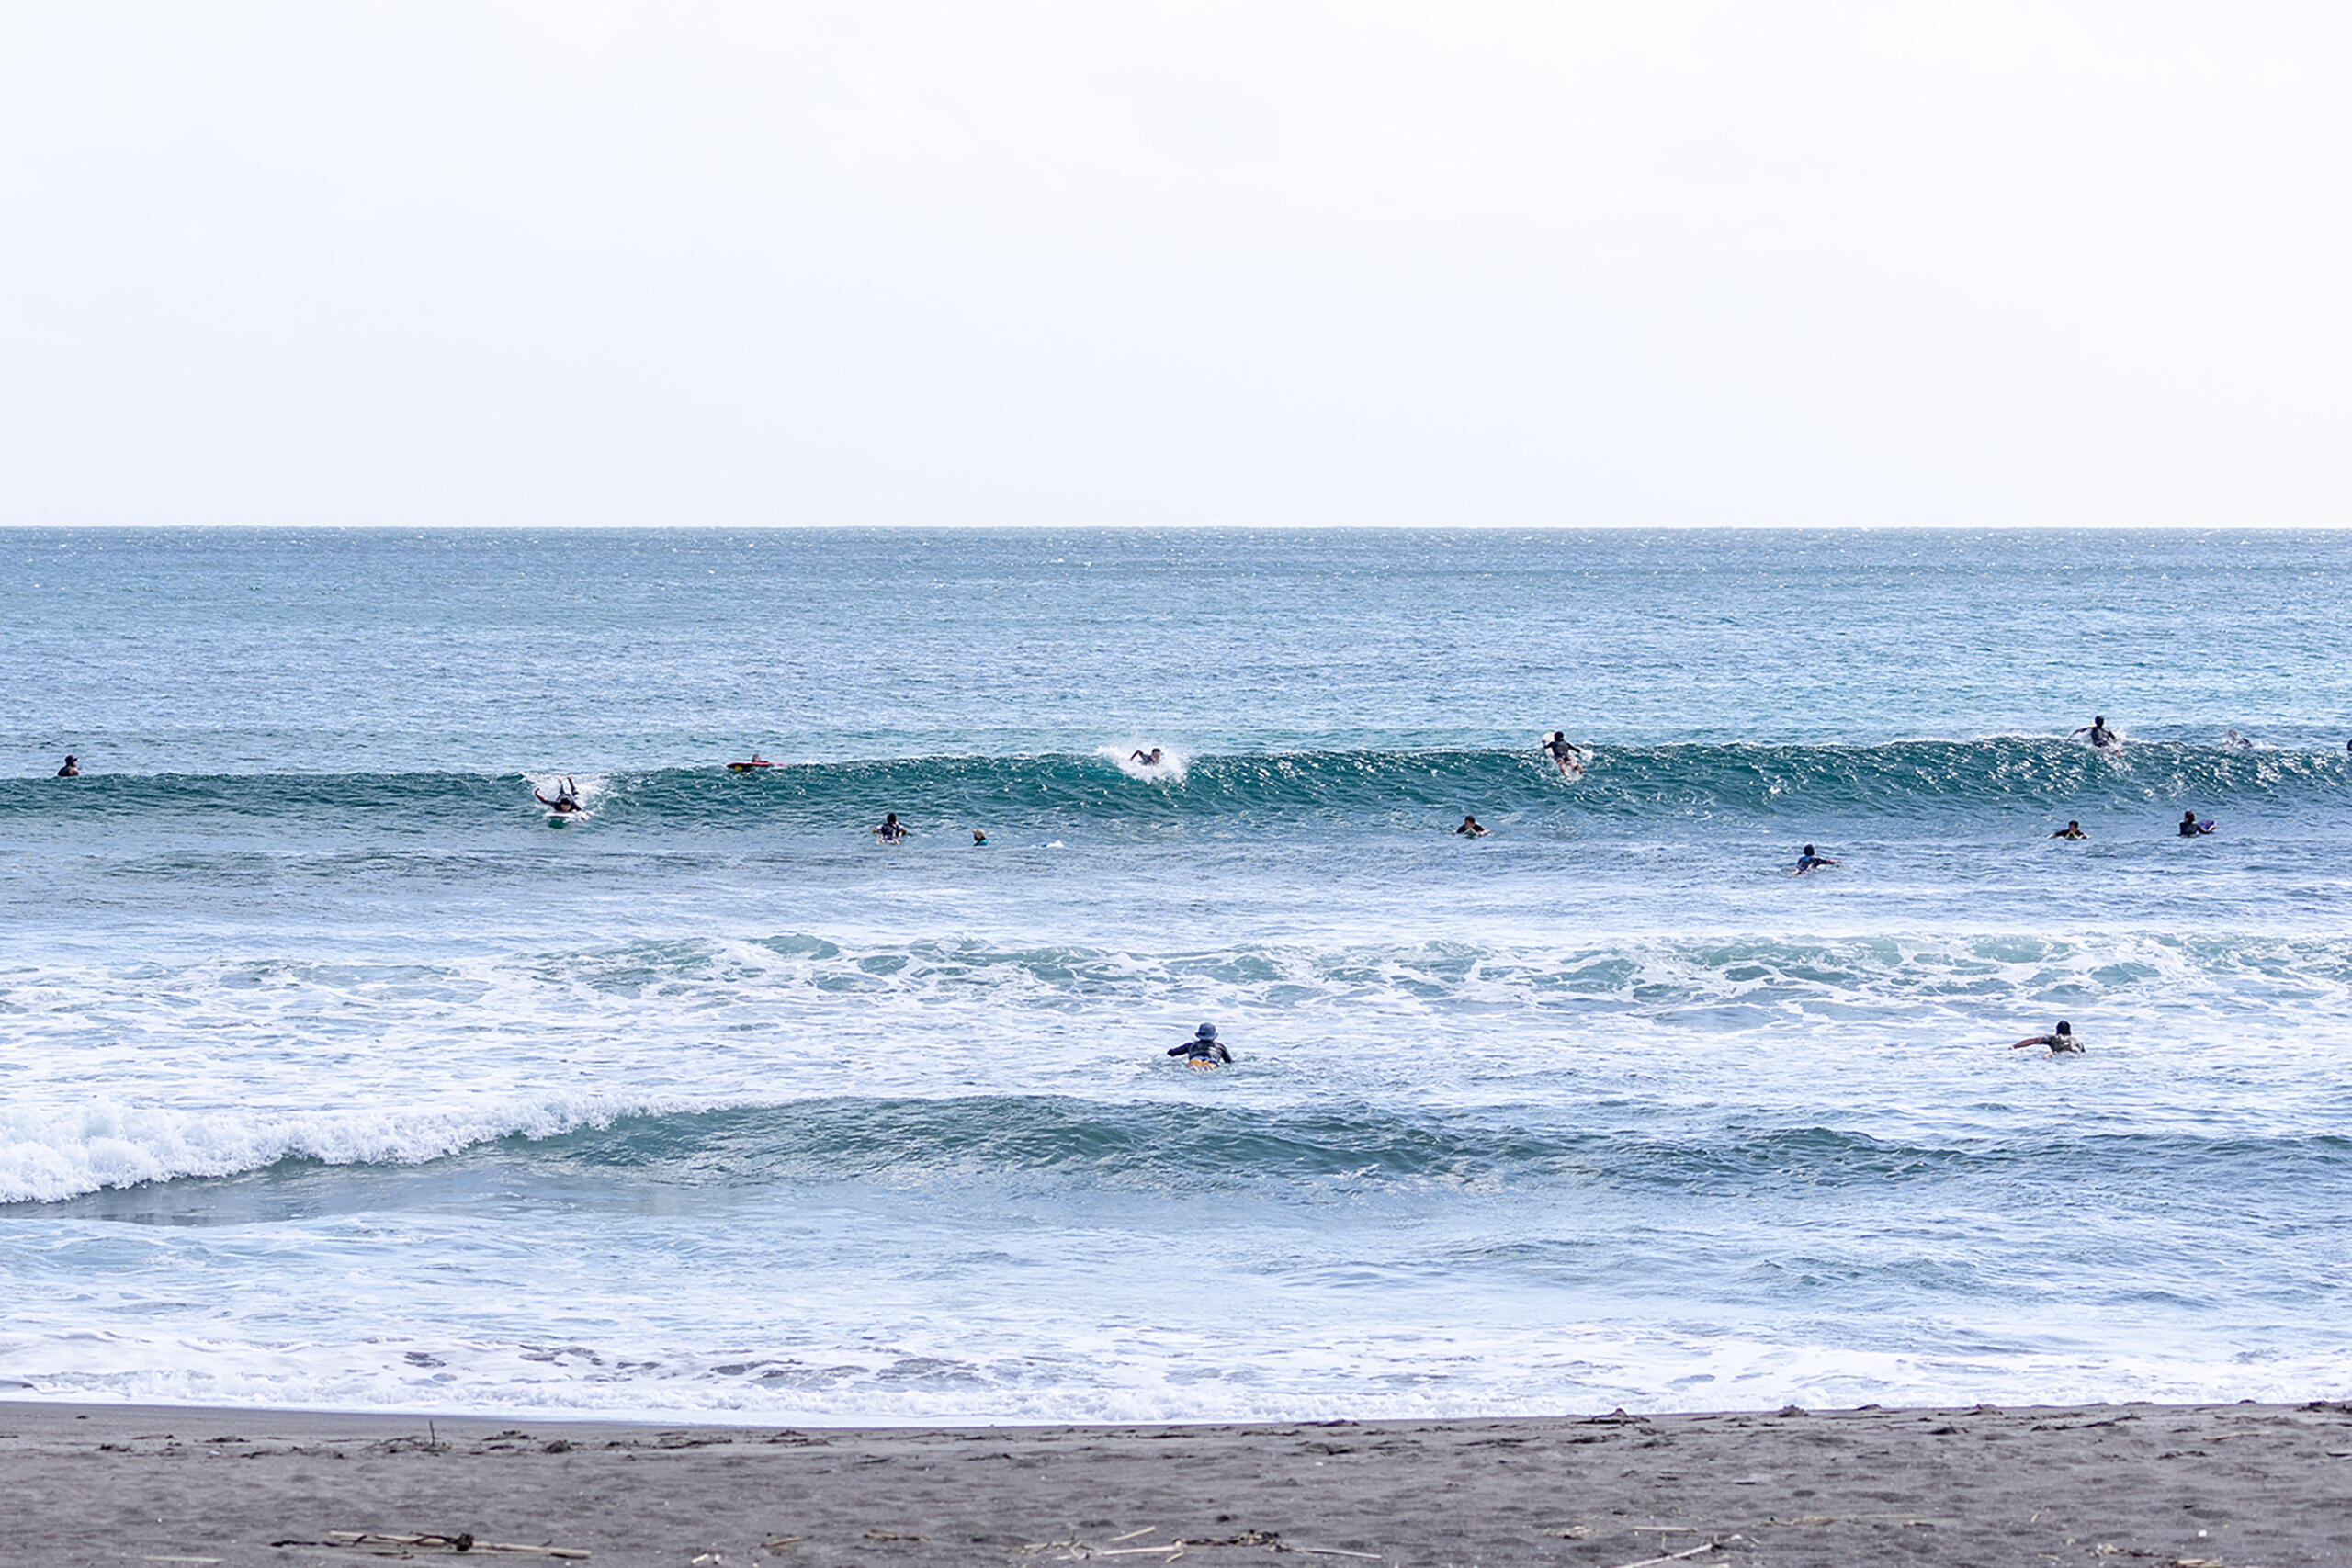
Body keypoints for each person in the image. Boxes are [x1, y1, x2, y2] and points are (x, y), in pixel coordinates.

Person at [1168, 1022, 1233, 1066]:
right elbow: (1229, 1061)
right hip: (1211, 1061)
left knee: (1195, 1067)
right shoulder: (1220, 1047)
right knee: (1209, 1068)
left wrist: (1170, 1051)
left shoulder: (1190, 1045)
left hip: (1195, 1060)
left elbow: (1173, 1053)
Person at [2010, 1021, 2083, 1055]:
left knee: (2049, 1055)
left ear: (2057, 1032)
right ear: (2070, 1032)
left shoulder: (2053, 1039)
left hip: (2059, 1054)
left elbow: (2033, 1041)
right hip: (2074, 1054)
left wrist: (2015, 1046)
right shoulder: (2077, 1041)